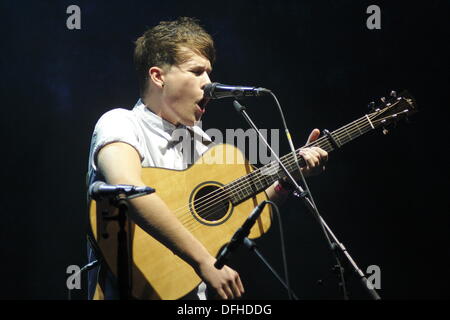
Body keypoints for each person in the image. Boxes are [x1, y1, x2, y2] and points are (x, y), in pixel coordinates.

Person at [86, 17, 328, 300]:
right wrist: (203, 260)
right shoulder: (120, 123)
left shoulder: (204, 146)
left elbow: (243, 217)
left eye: (209, 72)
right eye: (197, 71)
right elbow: (128, 189)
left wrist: (287, 179)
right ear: (158, 76)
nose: (209, 83)